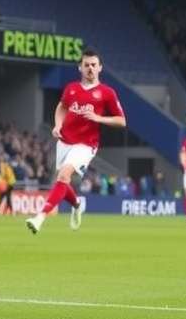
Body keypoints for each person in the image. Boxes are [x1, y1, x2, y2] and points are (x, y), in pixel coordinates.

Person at [26, 49, 127, 234]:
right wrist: (57, 125)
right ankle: (77, 205)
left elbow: (121, 121)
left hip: (86, 144)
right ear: (80, 68)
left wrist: (98, 118)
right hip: (65, 141)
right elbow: (61, 107)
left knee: (64, 175)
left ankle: (39, 218)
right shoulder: (71, 88)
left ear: (100, 68)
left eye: (94, 65)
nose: (90, 68)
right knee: (62, 180)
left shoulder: (107, 93)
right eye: (86, 65)